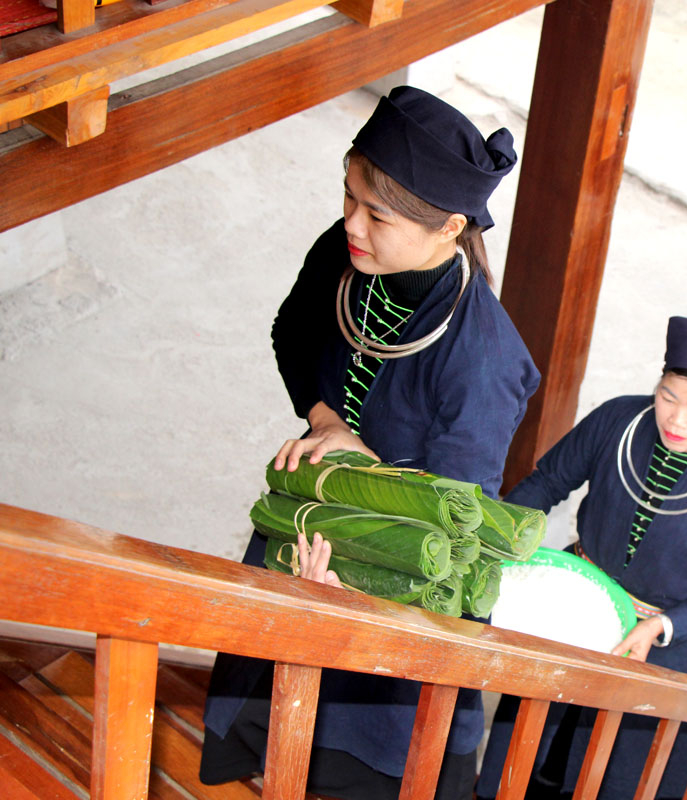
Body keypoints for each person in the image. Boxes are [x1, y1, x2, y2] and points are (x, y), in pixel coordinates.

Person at [199, 86, 540, 800]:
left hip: (399, 563)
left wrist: (363, 515)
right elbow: (292, 331)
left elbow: (454, 521)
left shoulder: (483, 363)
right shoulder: (348, 248)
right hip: (315, 512)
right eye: (349, 195)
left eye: (376, 213)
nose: (352, 222)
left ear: (450, 227)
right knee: (270, 700)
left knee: (356, 751)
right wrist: (327, 422)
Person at [476, 316, 687, 800]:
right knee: (528, 729)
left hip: (661, 628)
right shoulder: (618, 419)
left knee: (622, 764)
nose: (676, 420)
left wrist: (662, 626)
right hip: (581, 589)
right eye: (668, 397)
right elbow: (549, 482)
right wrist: (496, 537)